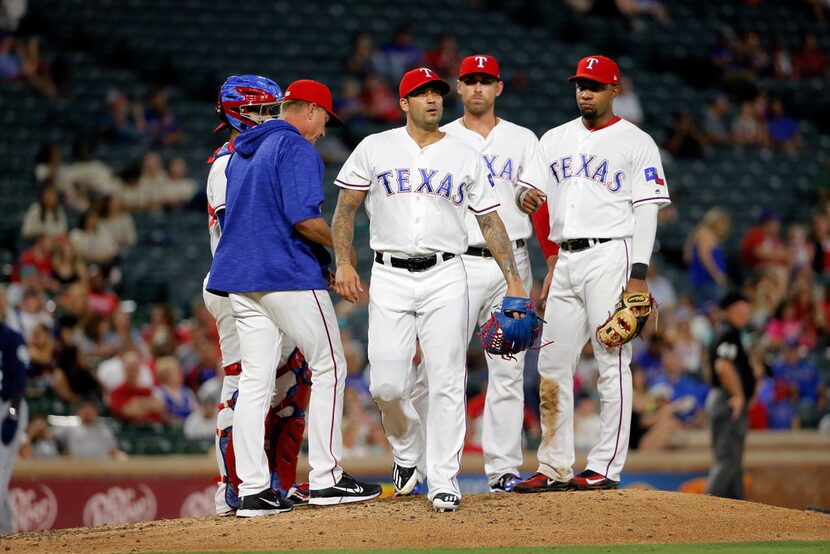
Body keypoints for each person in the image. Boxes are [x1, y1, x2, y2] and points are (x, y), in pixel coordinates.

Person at [331, 66, 530, 512]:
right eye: (421, 94)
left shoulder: (463, 155)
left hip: (446, 273)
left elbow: (490, 220)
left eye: (437, 93)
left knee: (446, 379)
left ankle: (443, 476)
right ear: (403, 103)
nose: (432, 100)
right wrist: (344, 261)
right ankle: (407, 449)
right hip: (390, 275)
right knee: (386, 383)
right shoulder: (375, 147)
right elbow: (345, 209)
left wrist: (514, 279)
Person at [207, 78, 381, 517]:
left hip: (239, 281)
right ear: (307, 110)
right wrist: (344, 252)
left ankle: (251, 490)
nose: (323, 129)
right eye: (323, 117)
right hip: (285, 275)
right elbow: (304, 219)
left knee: (255, 380)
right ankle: (327, 478)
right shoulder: (296, 147)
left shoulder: (241, 150)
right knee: (332, 366)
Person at [514, 55, 671, 493]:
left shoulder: (636, 142)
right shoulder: (554, 138)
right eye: (581, 84)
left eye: (595, 85)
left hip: (611, 255)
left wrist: (638, 275)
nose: (585, 91)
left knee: (612, 359)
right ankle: (554, 465)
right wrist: (530, 210)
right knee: (551, 363)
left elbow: (647, 212)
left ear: (614, 90)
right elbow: (534, 198)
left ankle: (605, 465)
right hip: (565, 258)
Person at [411, 54, 538, 493]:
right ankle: (428, 468)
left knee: (508, 367)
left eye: (486, 81)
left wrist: (530, 201)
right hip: (454, 261)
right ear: (459, 89)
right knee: (439, 368)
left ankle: (502, 467)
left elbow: (535, 193)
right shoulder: (439, 141)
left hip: (512, 262)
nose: (479, 88)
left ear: (499, 88)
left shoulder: (523, 139)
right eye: (470, 81)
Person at [705, 292, 755, 499]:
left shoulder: (723, 331)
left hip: (722, 398)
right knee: (727, 460)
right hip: (728, 400)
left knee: (733, 462)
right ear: (735, 309)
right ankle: (702, 511)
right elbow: (722, 366)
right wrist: (739, 396)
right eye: (745, 308)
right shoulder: (729, 332)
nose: (748, 313)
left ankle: (739, 513)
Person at [0, 286, 30, 535]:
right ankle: (7, 537)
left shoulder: (11, 337)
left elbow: (19, 384)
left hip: (8, 406)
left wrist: (12, 416)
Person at [685, 207, 731, 308]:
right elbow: (704, 256)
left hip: (704, 279)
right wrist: (717, 275)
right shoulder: (705, 233)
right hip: (707, 280)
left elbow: (688, 256)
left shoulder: (699, 233)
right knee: (711, 309)